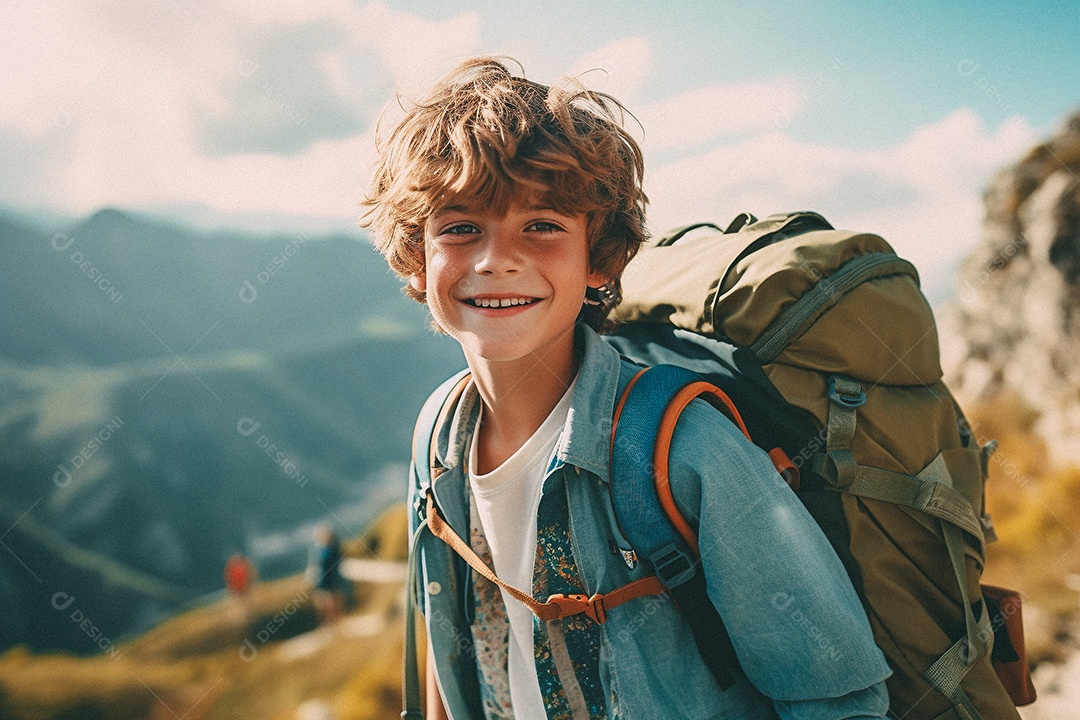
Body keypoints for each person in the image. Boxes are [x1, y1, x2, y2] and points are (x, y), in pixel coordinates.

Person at [361, 57, 891, 720]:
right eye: (461, 228)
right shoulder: (437, 434)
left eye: (543, 225)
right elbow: (451, 646)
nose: (496, 260)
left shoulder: (685, 449)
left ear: (600, 260)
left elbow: (837, 699)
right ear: (417, 257)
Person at [307, 526, 346, 625]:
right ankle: (329, 622)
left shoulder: (330, 551)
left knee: (331, 600)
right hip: (322, 580)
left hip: (328, 579)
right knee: (323, 601)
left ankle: (335, 621)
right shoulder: (321, 550)